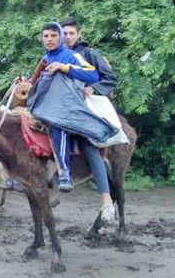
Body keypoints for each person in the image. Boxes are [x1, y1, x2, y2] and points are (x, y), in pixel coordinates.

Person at [60, 16, 117, 222]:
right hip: (58, 108)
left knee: (88, 143)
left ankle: (106, 199)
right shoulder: (53, 55)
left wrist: (92, 88)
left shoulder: (90, 54)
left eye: (71, 33)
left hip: (83, 108)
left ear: (78, 34)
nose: (67, 37)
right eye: (64, 34)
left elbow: (110, 78)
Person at [31, 22, 99, 193]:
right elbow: (34, 82)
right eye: (46, 36)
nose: (49, 39)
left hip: (67, 103)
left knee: (57, 123)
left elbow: (93, 73)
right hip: (44, 102)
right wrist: (24, 83)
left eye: (53, 35)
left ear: (60, 37)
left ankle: (64, 173)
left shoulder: (71, 55)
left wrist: (64, 67)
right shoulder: (45, 59)